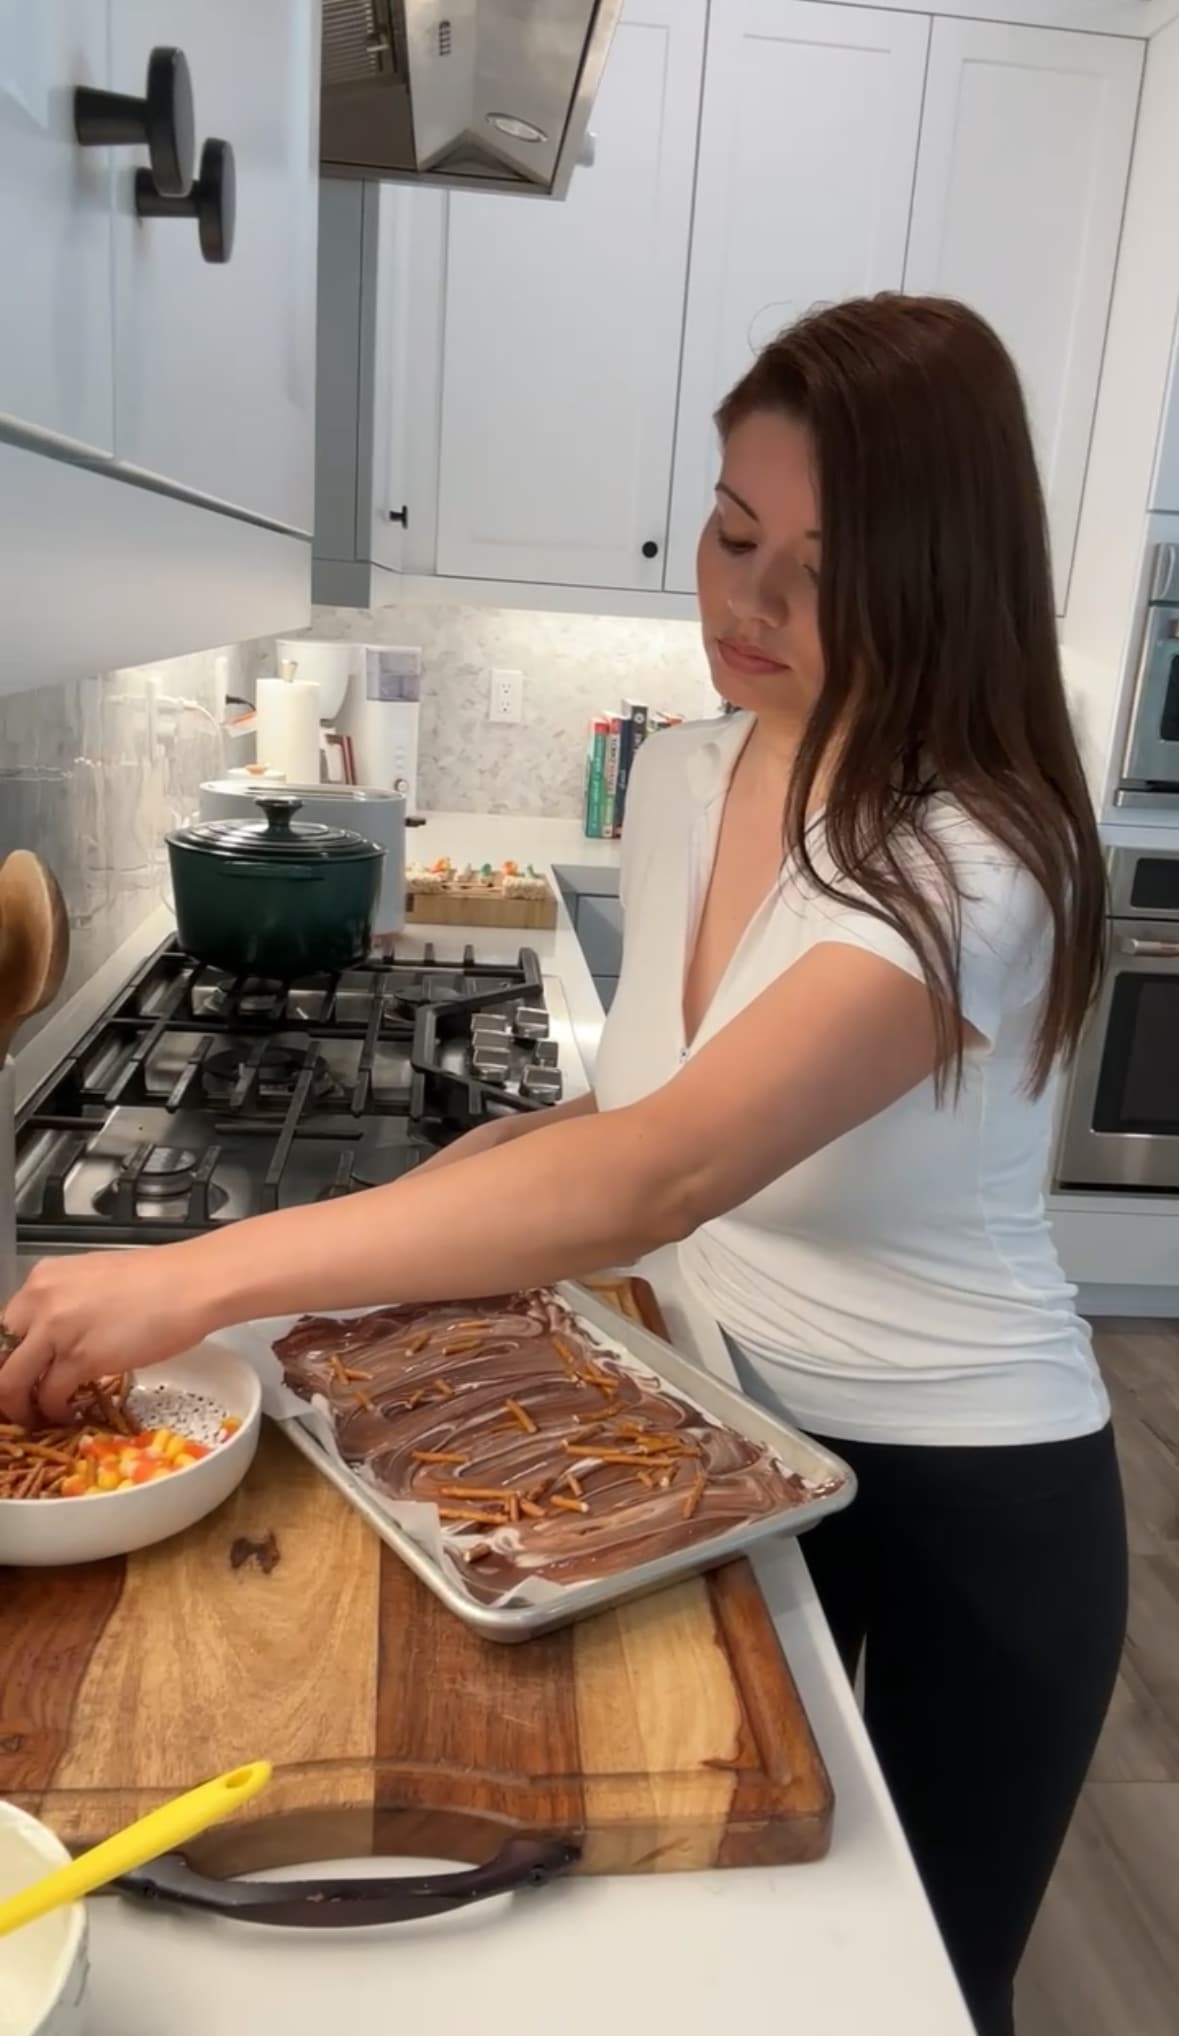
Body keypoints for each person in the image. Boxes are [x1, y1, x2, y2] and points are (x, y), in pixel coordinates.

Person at [0, 295, 1125, 2036]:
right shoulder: (692, 774)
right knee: (739, 1964)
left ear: (940, 574)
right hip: (732, 1430)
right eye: (734, 535)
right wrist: (358, 1238)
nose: (749, 604)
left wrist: (197, 1272)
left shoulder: (974, 863)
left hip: (972, 1493)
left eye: (819, 571)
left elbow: (663, 1173)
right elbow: (622, 1121)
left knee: (920, 1990)